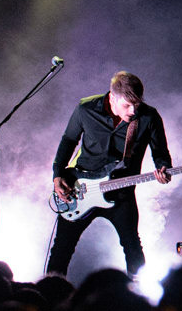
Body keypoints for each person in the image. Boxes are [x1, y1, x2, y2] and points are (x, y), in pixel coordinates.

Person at [48, 70, 173, 277]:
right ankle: (49, 291)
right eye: (127, 105)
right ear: (112, 97)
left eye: (137, 104)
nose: (133, 111)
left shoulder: (149, 117)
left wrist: (163, 167)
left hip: (120, 191)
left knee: (132, 246)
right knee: (62, 248)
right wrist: (57, 175)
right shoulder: (85, 108)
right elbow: (69, 140)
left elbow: (160, 153)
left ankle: (138, 292)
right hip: (80, 188)